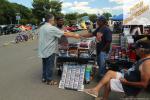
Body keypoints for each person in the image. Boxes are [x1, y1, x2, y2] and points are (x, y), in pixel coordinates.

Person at [84, 40, 150, 100]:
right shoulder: (143, 58)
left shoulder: (147, 64)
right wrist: (128, 70)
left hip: (128, 85)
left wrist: (126, 82)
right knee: (109, 73)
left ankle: (104, 98)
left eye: (136, 49)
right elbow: (137, 71)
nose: (135, 50)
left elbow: (144, 84)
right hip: (126, 78)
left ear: (142, 50)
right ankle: (95, 90)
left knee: (109, 81)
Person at [38, 13, 80, 85]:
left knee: (45, 64)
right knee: (50, 65)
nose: (54, 21)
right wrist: (75, 35)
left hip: (43, 49)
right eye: (53, 20)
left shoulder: (42, 27)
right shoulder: (51, 28)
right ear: (51, 20)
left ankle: (44, 78)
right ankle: (49, 80)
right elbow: (65, 34)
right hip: (50, 50)